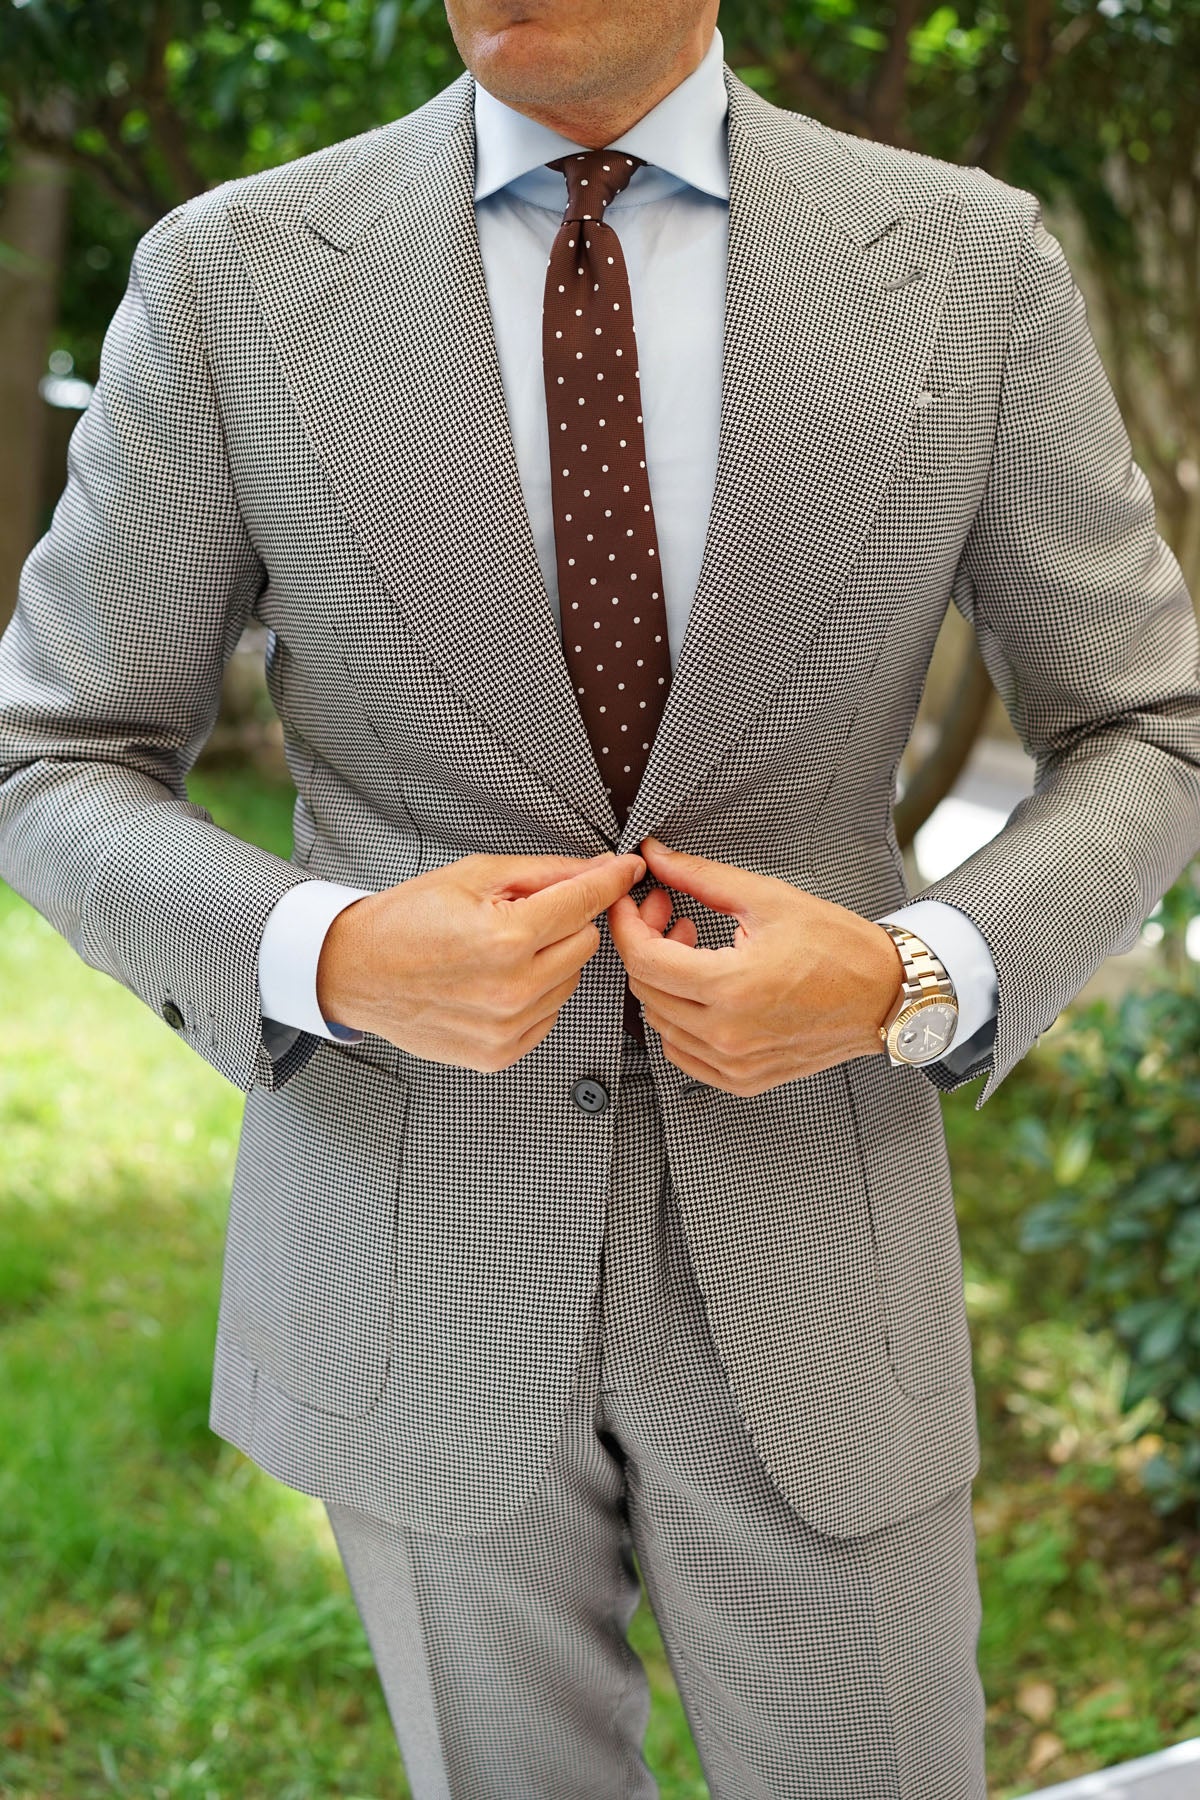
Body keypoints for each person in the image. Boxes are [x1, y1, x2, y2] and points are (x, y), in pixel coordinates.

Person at [2, 0, 1198, 1792]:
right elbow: (53, 753)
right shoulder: (233, 275)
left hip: (815, 1240)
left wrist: (911, 975)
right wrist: (325, 951)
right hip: (414, 1261)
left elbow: (1147, 724)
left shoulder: (963, 264)